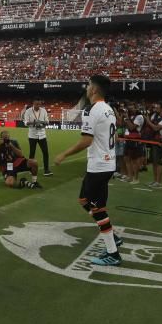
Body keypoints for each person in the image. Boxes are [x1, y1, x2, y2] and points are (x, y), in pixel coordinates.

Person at [54, 75, 121, 266]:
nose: (87, 87)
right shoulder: (109, 109)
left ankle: (112, 252)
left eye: (89, 85)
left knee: (97, 208)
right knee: (86, 200)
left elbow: (86, 140)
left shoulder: (92, 110)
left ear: (94, 90)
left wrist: (64, 154)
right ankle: (112, 236)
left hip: (99, 166)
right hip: (107, 164)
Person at [23, 98, 52, 176]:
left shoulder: (43, 110)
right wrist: (34, 123)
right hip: (32, 135)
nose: (38, 106)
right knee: (32, 153)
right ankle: (30, 169)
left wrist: (41, 122)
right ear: (33, 103)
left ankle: (46, 170)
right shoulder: (28, 111)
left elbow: (47, 122)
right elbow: (26, 123)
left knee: (45, 152)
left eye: (39, 104)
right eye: (36, 104)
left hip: (42, 135)